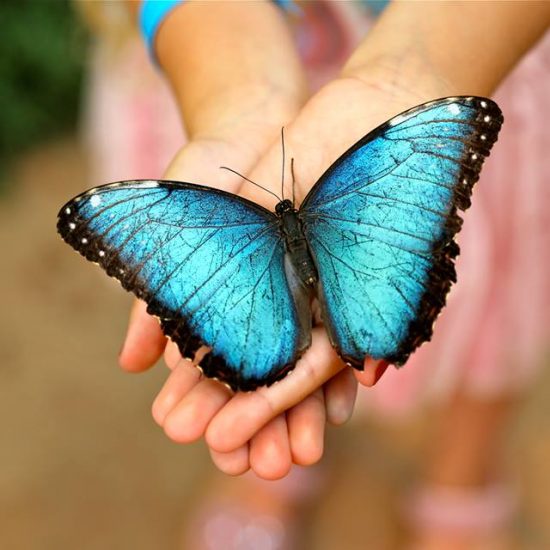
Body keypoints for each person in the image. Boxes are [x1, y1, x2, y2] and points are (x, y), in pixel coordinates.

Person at [84, 1, 550, 547]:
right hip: (216, 47)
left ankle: (462, 480)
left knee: (489, 331)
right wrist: (236, 87)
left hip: (477, 43)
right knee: (273, 405)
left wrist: (414, 74)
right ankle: (272, 479)